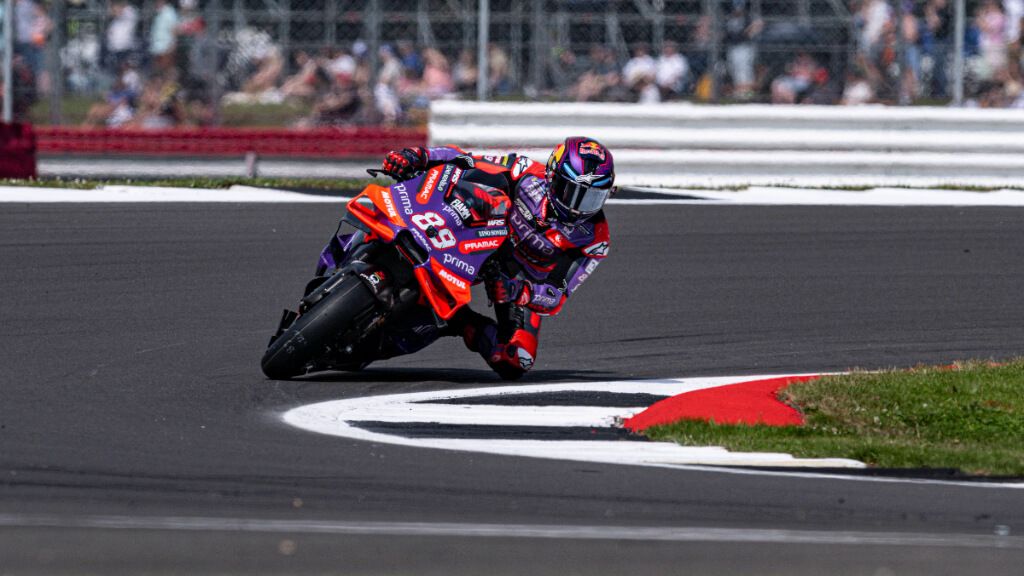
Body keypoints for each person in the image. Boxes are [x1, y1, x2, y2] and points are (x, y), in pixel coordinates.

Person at [379, 137, 614, 379]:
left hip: (517, 279)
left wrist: (518, 291)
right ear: (553, 177)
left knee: (515, 359)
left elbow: (556, 296)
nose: (579, 209)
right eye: (573, 193)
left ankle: (459, 321)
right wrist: (419, 156)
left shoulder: (594, 238)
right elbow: (466, 159)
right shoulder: (525, 172)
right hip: (480, 234)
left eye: (592, 198)